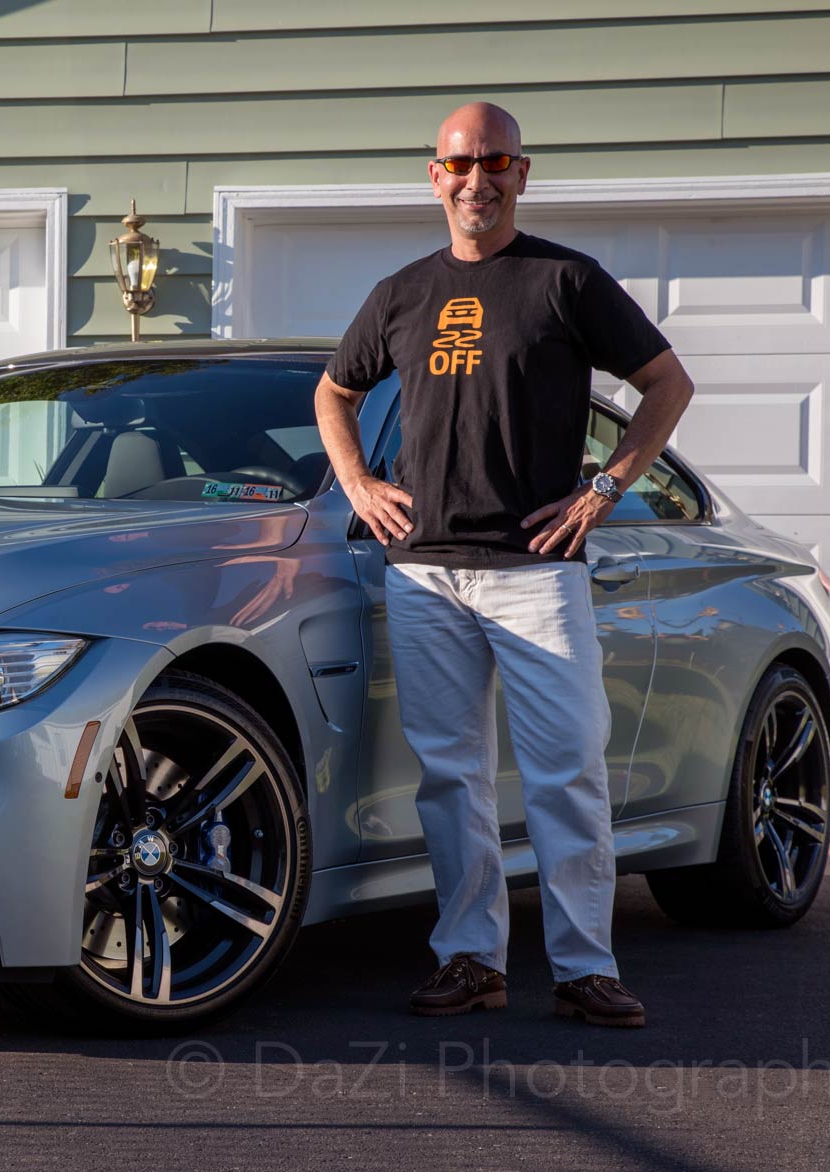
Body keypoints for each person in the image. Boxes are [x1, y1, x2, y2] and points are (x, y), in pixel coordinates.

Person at [314, 101, 695, 1028]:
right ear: (432, 175)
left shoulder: (566, 281)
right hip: (424, 573)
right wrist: (359, 481)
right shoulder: (400, 292)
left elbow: (666, 385)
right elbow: (334, 391)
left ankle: (584, 967)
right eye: (458, 163)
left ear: (523, 173)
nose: (475, 178)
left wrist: (603, 490)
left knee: (566, 771)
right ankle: (471, 958)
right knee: (452, 777)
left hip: (536, 570)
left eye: (495, 162)